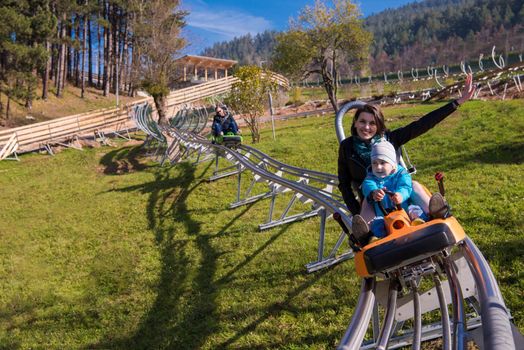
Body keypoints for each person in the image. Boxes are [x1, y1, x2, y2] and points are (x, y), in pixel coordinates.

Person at [338, 73, 476, 225]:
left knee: (415, 185)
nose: (366, 127)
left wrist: (457, 102)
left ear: (378, 126)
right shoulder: (347, 147)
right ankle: (366, 232)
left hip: (401, 193)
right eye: (362, 122)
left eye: (372, 123)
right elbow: (344, 184)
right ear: (355, 123)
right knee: (366, 206)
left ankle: (436, 212)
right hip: (373, 199)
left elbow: (423, 124)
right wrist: (356, 211)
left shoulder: (390, 138)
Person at [351, 139, 429, 244]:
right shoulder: (371, 178)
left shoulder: (401, 174)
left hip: (404, 210)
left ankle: (421, 221)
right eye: (374, 163)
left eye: (383, 162)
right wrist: (374, 192)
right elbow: (367, 186)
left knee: (414, 209)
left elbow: (406, 186)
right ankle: (375, 238)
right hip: (384, 216)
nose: (378, 167)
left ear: (392, 164)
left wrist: (400, 195)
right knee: (377, 223)